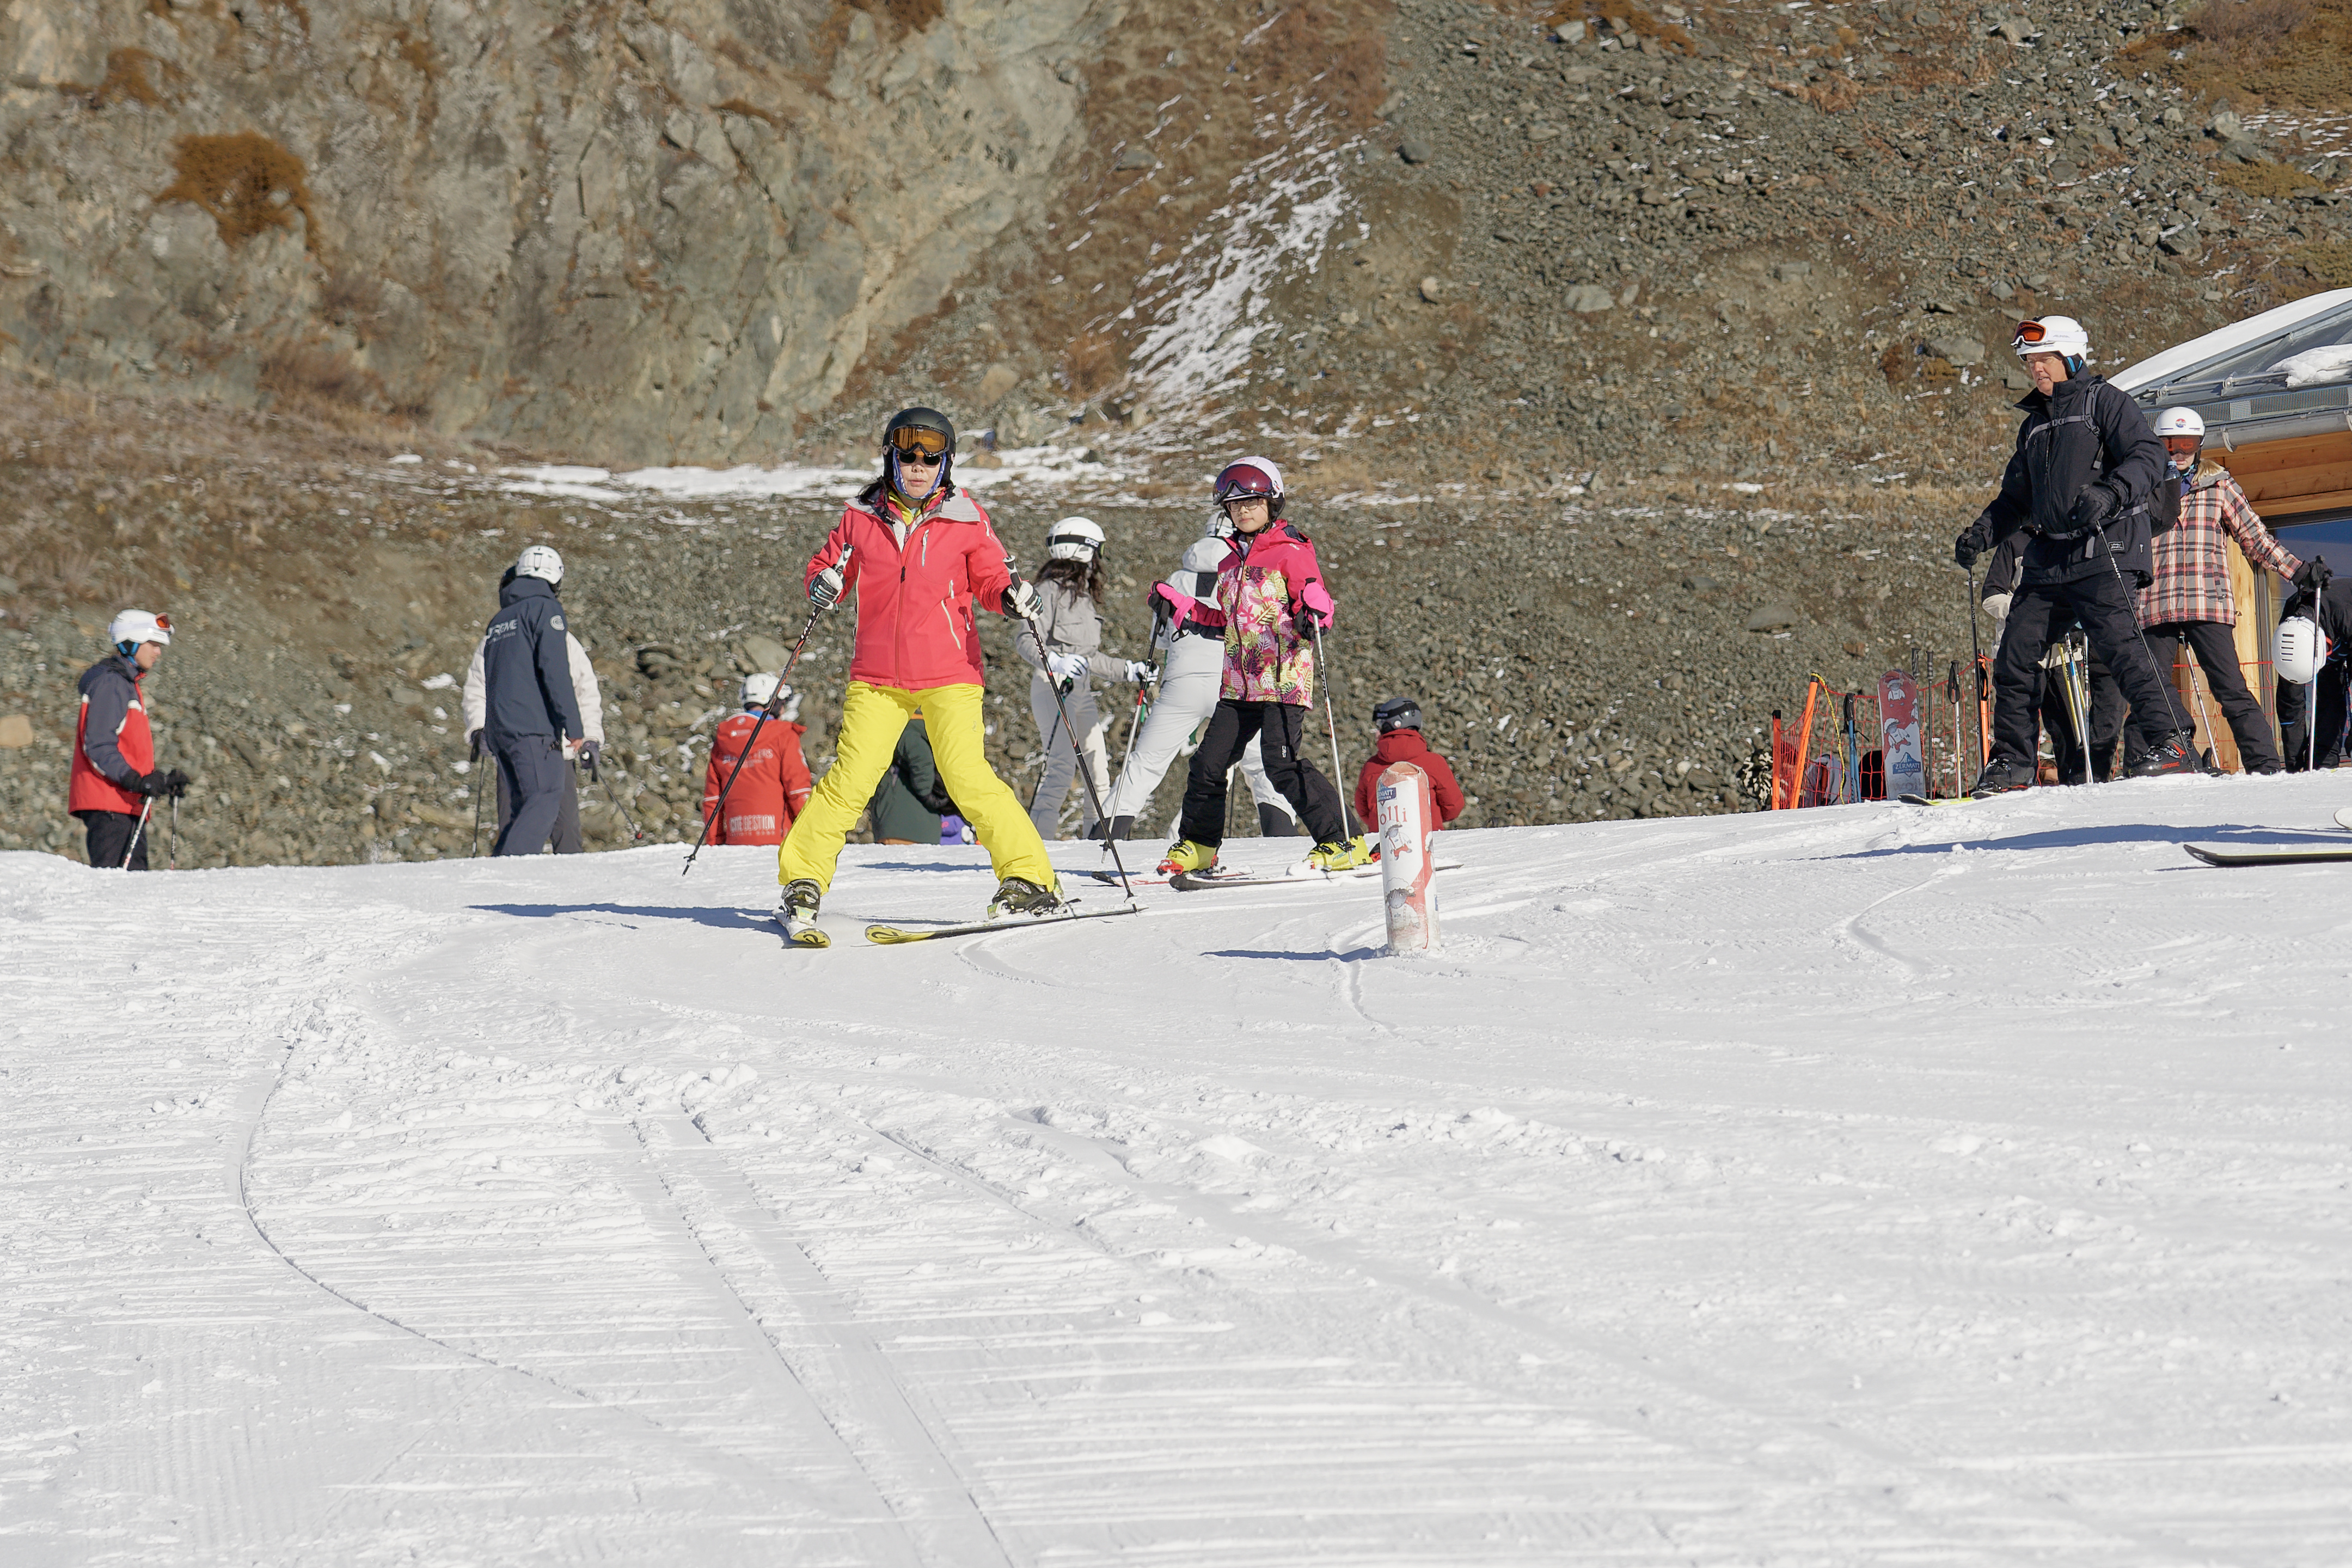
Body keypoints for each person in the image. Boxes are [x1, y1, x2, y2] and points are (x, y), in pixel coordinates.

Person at [774, 406, 1062, 936]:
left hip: (950, 672)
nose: (918, 466)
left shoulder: (967, 518)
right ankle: (802, 882)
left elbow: (991, 579)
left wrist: (1011, 596)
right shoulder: (860, 517)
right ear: (891, 457)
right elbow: (830, 566)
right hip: (877, 678)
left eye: (931, 458)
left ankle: (1030, 879)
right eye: (908, 455)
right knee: (851, 779)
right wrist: (823, 583)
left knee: (966, 776)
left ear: (945, 463)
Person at [1953, 315, 2196, 794]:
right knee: (2014, 657)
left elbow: (2148, 457)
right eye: (2030, 361)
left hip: (2105, 547)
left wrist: (2111, 492)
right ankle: (2013, 762)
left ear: (2071, 357)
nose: (2035, 369)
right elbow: (2015, 499)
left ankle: (2174, 743)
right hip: (2049, 557)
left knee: (2121, 650)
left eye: (2043, 359)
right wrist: (1981, 534)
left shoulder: (2105, 402)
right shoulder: (2034, 426)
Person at [1157, 456, 1362, 875]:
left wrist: (1317, 612)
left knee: (1280, 764)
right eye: (1235, 505)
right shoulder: (1229, 562)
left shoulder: (1292, 552)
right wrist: (1183, 608)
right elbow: (1228, 621)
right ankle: (1199, 845)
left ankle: (1345, 841)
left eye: (1252, 502)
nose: (1243, 510)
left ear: (1272, 503)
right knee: (1208, 763)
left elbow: (1314, 600)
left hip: (1282, 679)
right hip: (1239, 684)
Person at [2124, 407, 2316, 775]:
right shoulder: (2141, 491)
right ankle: (2139, 766)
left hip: (2205, 599)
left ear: (2199, 445)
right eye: (2169, 444)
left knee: (2230, 687)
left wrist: (2299, 571)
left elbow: (2256, 539)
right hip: (2153, 602)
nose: (2178, 452)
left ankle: (2265, 766)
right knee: (2148, 690)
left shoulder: (2219, 487)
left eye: (2187, 444)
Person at [1098, 520, 1301, 842]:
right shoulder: (1248, 572)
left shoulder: (1176, 579)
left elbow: (1159, 639)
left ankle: (1103, 840)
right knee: (1261, 767)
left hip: (1183, 683)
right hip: (1238, 681)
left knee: (1146, 764)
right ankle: (1282, 838)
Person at [1013, 516, 1151, 839]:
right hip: (1052, 687)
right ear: (1083, 550)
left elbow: (1088, 657)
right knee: (1061, 769)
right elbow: (1026, 639)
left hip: (1082, 692)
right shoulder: (1046, 591)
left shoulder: (1084, 595)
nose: (1099, 559)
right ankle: (1038, 847)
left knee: (1098, 774)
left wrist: (1129, 670)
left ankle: (1097, 844)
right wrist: (1056, 661)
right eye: (1097, 550)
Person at [464, 563, 606, 852]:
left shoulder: (551, 638)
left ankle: (545, 878)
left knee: (564, 830)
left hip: (553, 746)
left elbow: (584, 690)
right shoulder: (502, 635)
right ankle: (510, 872)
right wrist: (478, 729)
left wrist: (591, 737)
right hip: (528, 740)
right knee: (520, 818)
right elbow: (479, 687)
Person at [1981, 536, 2127, 784]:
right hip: (2021, 653)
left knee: (2069, 729)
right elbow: (1991, 597)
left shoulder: (2072, 538)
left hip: (2064, 653)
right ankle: (2017, 776)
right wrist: (2033, 610)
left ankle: (2075, 781)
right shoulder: (2015, 542)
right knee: (2020, 721)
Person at [69, 609, 187, 871]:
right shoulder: (112, 684)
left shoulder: (126, 684)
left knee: (133, 887)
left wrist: (160, 782)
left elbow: (127, 749)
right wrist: (134, 780)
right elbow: (98, 745)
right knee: (120, 890)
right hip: (111, 807)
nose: (158, 652)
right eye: (153, 644)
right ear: (132, 643)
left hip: (124, 805)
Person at [699, 674, 813, 846]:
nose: (782, 711)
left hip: (736, 843)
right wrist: (813, 834)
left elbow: (712, 799)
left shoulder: (723, 739)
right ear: (772, 702)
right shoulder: (783, 734)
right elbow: (798, 790)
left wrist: (715, 843)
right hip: (780, 840)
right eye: (781, 703)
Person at [2276, 561, 2346, 769]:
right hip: (2318, 634)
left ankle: (2325, 763)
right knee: (2292, 698)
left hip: (2343, 628)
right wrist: (2294, 765)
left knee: (2333, 693)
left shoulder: (2346, 614)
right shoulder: (2288, 638)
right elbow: (2291, 706)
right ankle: (2309, 766)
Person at [1354, 697, 1465, 829]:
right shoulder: (1435, 762)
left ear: (1394, 724)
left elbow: (1363, 810)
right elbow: (1454, 806)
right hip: (1429, 838)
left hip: (1384, 839)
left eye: (1381, 724)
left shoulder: (1371, 766)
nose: (1378, 730)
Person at [868, 714, 958, 844]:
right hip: (926, 828)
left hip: (900, 826)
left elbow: (921, 756)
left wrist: (925, 793)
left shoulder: (903, 730)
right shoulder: (931, 733)